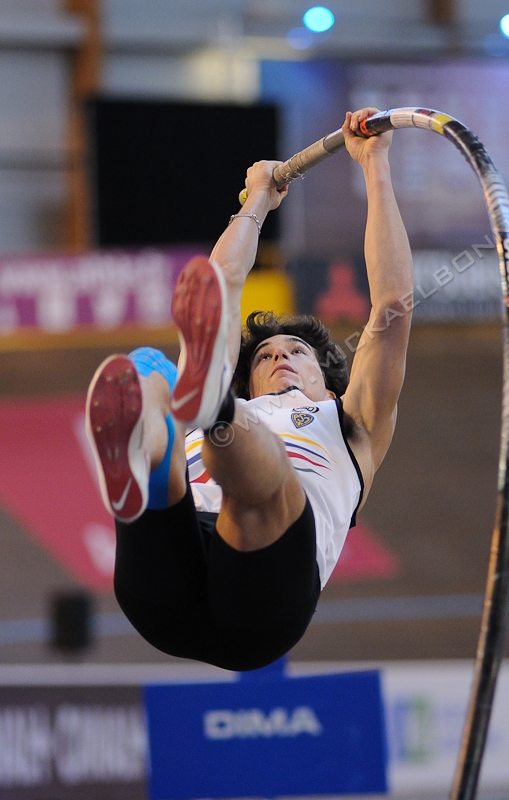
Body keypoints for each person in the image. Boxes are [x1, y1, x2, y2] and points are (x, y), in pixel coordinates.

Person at [86, 108, 413, 671]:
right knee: (153, 379)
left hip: (265, 604)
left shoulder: (352, 422)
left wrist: (374, 166)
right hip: (165, 588)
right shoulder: (234, 398)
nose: (280, 355)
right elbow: (221, 283)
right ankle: (149, 454)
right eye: (265, 355)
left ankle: (199, 413)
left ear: (328, 380)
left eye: (297, 352)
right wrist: (257, 201)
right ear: (247, 377)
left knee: (258, 484)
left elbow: (392, 307)